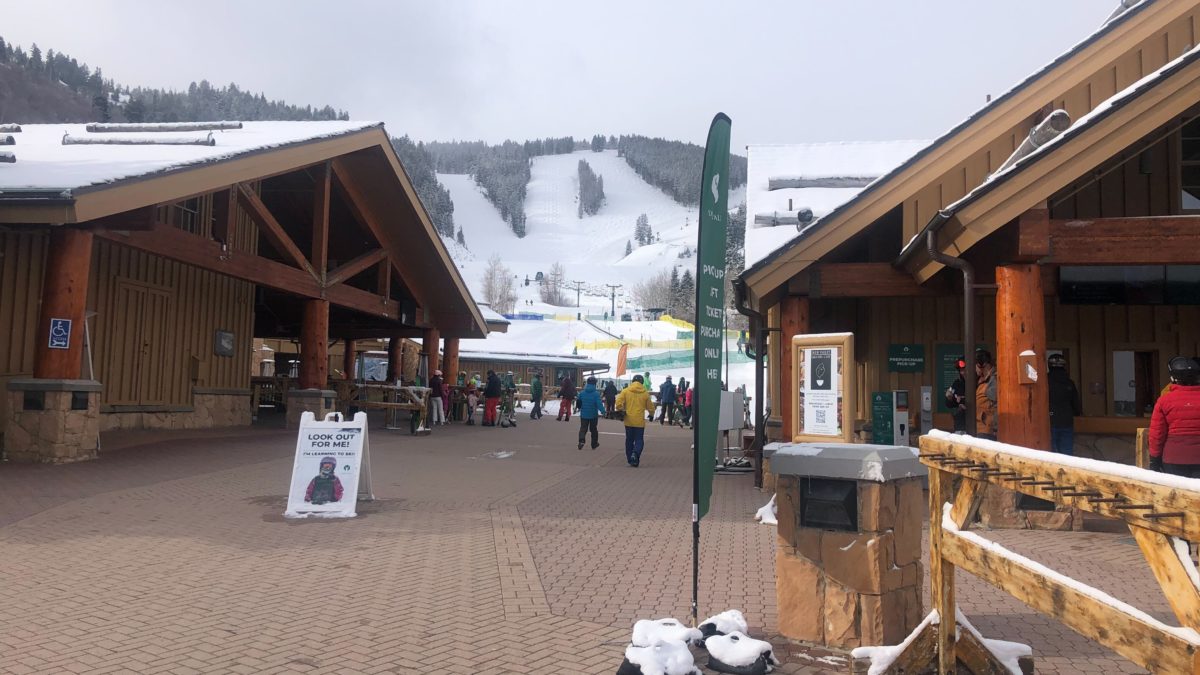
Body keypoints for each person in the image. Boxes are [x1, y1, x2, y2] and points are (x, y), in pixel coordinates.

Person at [1148, 357, 1200, 477]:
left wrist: (1154, 459)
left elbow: (1157, 434)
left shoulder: (1164, 400)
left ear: (1173, 378)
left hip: (1174, 458)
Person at [616, 374, 656, 467]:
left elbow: (618, 403)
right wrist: (651, 415)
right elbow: (651, 406)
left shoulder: (625, 391)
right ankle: (636, 453)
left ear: (632, 381)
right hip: (639, 421)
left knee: (629, 440)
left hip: (628, 420)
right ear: (642, 382)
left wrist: (620, 409)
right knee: (639, 439)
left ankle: (630, 459)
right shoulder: (645, 393)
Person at [1047, 353, 1082, 455]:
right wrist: (1076, 413)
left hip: (1050, 420)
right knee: (1067, 454)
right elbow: (1075, 404)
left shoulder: (1045, 381)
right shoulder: (1069, 383)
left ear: (1049, 365)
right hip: (1066, 421)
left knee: (1050, 453)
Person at [576, 376, 606, 450]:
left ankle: (581, 440)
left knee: (583, 428)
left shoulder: (582, 393)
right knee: (593, 430)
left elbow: (578, 402)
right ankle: (594, 444)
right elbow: (599, 404)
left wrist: (579, 408)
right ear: (594, 384)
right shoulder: (596, 394)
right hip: (593, 415)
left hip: (584, 415)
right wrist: (603, 412)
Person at [975, 349, 998, 440]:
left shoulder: (993, 380)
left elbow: (997, 404)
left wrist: (996, 427)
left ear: (981, 365)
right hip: (981, 428)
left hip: (988, 430)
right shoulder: (982, 380)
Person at [944, 359, 968, 433]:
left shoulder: (978, 382)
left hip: (976, 425)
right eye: (961, 370)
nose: (963, 372)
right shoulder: (957, 383)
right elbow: (950, 404)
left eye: (964, 370)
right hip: (960, 425)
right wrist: (949, 398)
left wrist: (963, 401)